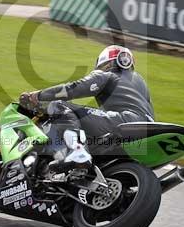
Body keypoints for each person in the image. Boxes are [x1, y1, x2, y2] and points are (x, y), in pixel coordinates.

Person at [19, 45, 154, 174]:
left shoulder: (106, 75)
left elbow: (73, 89)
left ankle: (77, 151)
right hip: (149, 127)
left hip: (124, 121)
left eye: (101, 66)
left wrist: (38, 95)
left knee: (59, 105)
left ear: (106, 64)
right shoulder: (140, 82)